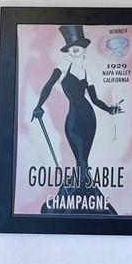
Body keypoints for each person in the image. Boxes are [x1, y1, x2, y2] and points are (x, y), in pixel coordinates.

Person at [31, 25, 123, 191]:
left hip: (89, 118)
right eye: (72, 47)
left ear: (84, 50)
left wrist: (110, 109)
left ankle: (82, 192)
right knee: (80, 159)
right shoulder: (64, 65)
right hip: (73, 119)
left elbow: (95, 100)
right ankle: (82, 192)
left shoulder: (88, 72)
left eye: (78, 47)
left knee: (83, 160)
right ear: (68, 50)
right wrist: (38, 105)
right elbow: (49, 84)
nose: (74, 50)